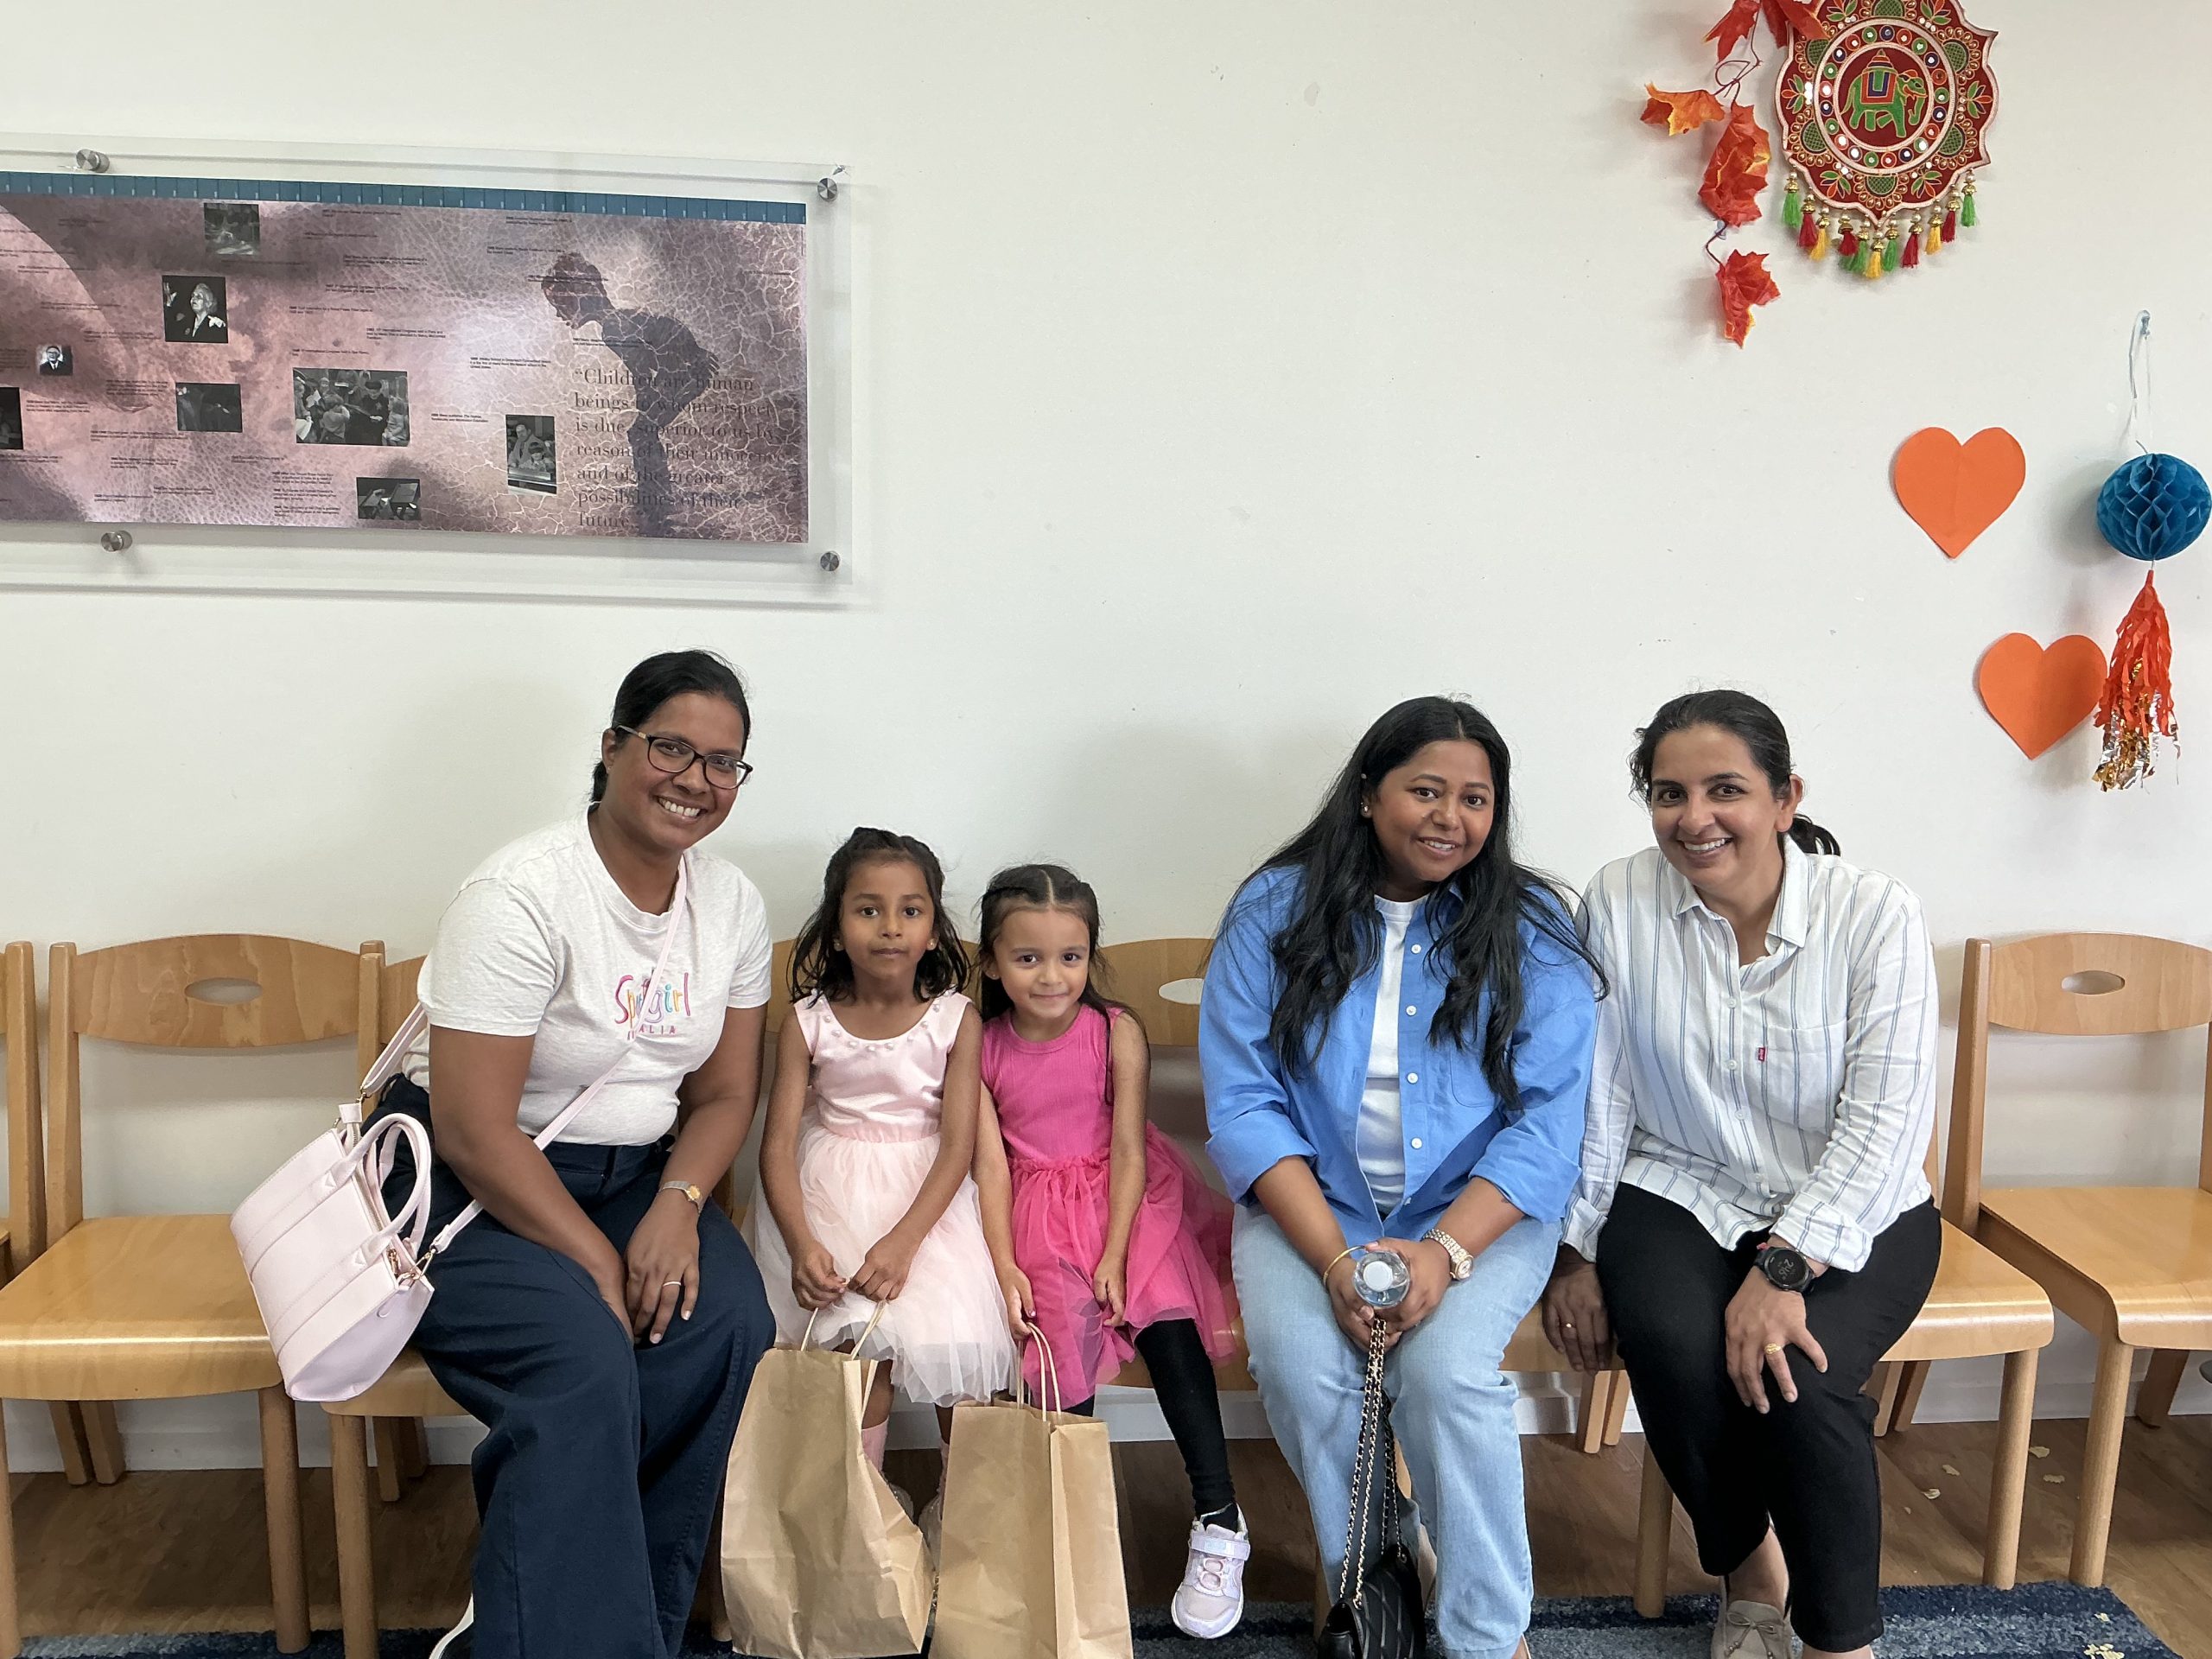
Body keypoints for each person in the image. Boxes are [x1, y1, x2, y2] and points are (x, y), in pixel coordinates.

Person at [374, 649, 779, 1659]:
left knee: (724, 1321)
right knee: (581, 1355)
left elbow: (727, 1094)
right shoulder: (519, 894)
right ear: (613, 747)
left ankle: (582, 1614)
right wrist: (597, 1257)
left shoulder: (731, 905)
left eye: (722, 763)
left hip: (634, 1173)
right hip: (463, 1179)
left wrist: (678, 1205)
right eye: (671, 747)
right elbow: (474, 1126)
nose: (694, 779)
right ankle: (553, 1623)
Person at [1542, 690, 1942, 1659]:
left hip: (1853, 1199)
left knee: (1795, 1376)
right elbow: (1600, 1092)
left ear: (1785, 797)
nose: (1695, 818)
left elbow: (1886, 1122)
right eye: (1668, 793)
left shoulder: (1874, 913)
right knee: (1673, 1349)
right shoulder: (1620, 899)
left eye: (1725, 790)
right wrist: (1576, 1250)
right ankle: (1749, 1571)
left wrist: (1783, 1268)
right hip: (1680, 1180)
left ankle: (1840, 1642)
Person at [1201, 696, 1599, 1659]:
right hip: (1315, 1204)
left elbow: (1549, 1123)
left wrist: (1445, 1251)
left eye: (1475, 799)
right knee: (1301, 1368)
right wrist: (1336, 1261)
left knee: (1445, 1374)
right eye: (1426, 790)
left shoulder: (1534, 926)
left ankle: (1488, 1635)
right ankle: (1384, 1589)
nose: (1450, 818)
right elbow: (1246, 1105)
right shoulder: (1271, 910)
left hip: (1479, 1208)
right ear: (1369, 793)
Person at [969, 863, 1246, 1637]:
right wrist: (1006, 1264)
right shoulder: (981, 1045)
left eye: (1071, 957)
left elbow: (1129, 1147)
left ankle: (1220, 1512)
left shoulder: (1114, 1029)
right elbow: (990, 1166)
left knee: (1168, 1320)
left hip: (1129, 1203)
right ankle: (1073, 1528)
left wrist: (1118, 1253)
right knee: (1061, 1352)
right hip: (1035, 1217)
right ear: (991, 961)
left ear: (1091, 955)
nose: (1052, 977)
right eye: (1028, 958)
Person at [748, 828, 1014, 1543]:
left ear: (934, 930)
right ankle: (866, 1513)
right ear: (837, 928)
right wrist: (801, 1242)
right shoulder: (806, 1022)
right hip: (830, 1194)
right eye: (869, 910)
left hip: (928, 1201)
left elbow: (958, 1145)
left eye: (910, 910)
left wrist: (903, 1242)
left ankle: (961, 1513)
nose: (891, 926)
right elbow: (775, 1146)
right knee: (859, 1356)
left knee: (956, 1346)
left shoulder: (956, 1018)